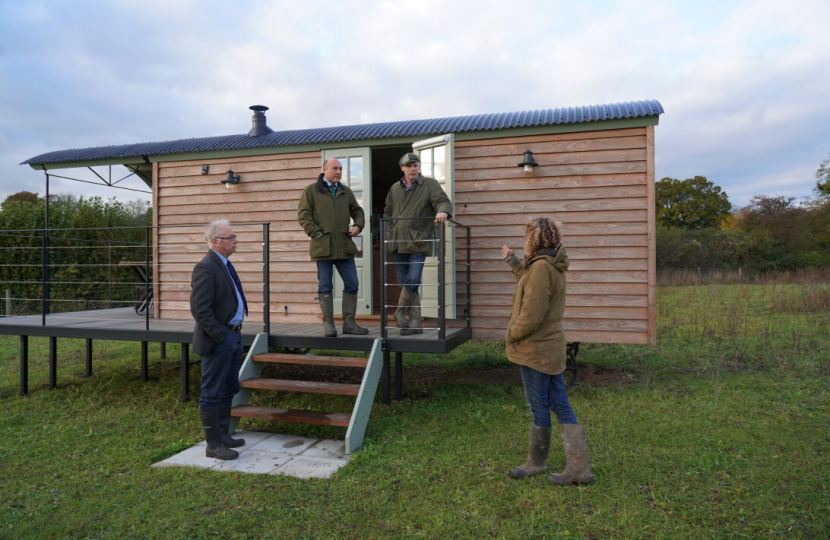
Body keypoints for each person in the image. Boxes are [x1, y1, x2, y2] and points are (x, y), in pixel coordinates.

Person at [502, 217, 594, 485]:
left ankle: (536, 463)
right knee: (559, 403)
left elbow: (533, 313)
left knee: (538, 405)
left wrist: (512, 334)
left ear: (534, 240)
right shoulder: (549, 265)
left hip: (535, 349)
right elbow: (528, 283)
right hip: (550, 347)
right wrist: (513, 262)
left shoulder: (542, 268)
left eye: (526, 237)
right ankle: (579, 469)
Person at [190, 219, 248, 461]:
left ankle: (223, 436)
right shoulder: (206, 267)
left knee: (228, 388)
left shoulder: (224, 264)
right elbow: (200, 309)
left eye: (234, 236)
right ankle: (213, 446)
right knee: (212, 391)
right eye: (230, 237)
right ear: (215, 242)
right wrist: (221, 335)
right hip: (219, 339)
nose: (235, 240)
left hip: (233, 335)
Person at [383, 152, 452, 335]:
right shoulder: (394, 189)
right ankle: (415, 324)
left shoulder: (429, 184)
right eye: (410, 165)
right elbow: (388, 211)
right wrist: (390, 230)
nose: (413, 168)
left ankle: (399, 313)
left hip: (418, 241)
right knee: (406, 283)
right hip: (398, 242)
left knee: (413, 279)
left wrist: (443, 211)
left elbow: (443, 201)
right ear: (402, 168)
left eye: (416, 165)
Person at [298, 158, 368, 337]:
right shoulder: (311, 191)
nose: (338, 172)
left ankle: (349, 324)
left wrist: (358, 225)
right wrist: (316, 233)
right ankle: (329, 324)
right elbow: (304, 215)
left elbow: (358, 211)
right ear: (324, 169)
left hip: (344, 246)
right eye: (335, 168)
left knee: (352, 283)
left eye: (340, 169)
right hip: (323, 247)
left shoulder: (346, 191)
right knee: (325, 286)